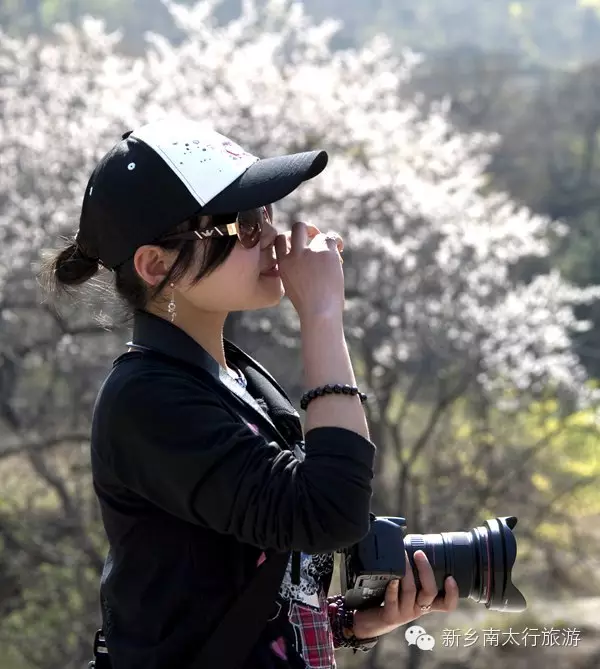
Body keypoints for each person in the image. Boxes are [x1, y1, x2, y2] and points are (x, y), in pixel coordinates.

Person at [45, 119, 458, 669]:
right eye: (242, 223)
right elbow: (329, 511)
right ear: (155, 264)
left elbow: (234, 597)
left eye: (266, 213)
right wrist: (322, 314)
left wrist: (355, 621)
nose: (272, 236)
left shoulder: (238, 377)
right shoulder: (146, 401)